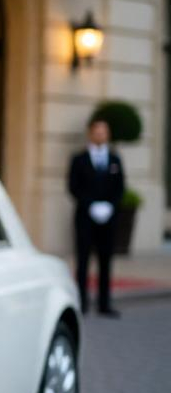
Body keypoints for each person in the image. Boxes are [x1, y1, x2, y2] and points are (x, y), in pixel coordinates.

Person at [68, 117, 126, 317]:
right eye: (97, 131)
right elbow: (73, 187)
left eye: (104, 132)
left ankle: (104, 303)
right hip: (85, 217)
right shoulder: (79, 159)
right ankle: (82, 303)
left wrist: (109, 206)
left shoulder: (115, 160)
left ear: (107, 135)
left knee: (105, 261)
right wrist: (90, 205)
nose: (101, 135)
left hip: (108, 220)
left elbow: (120, 188)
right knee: (83, 261)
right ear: (91, 133)